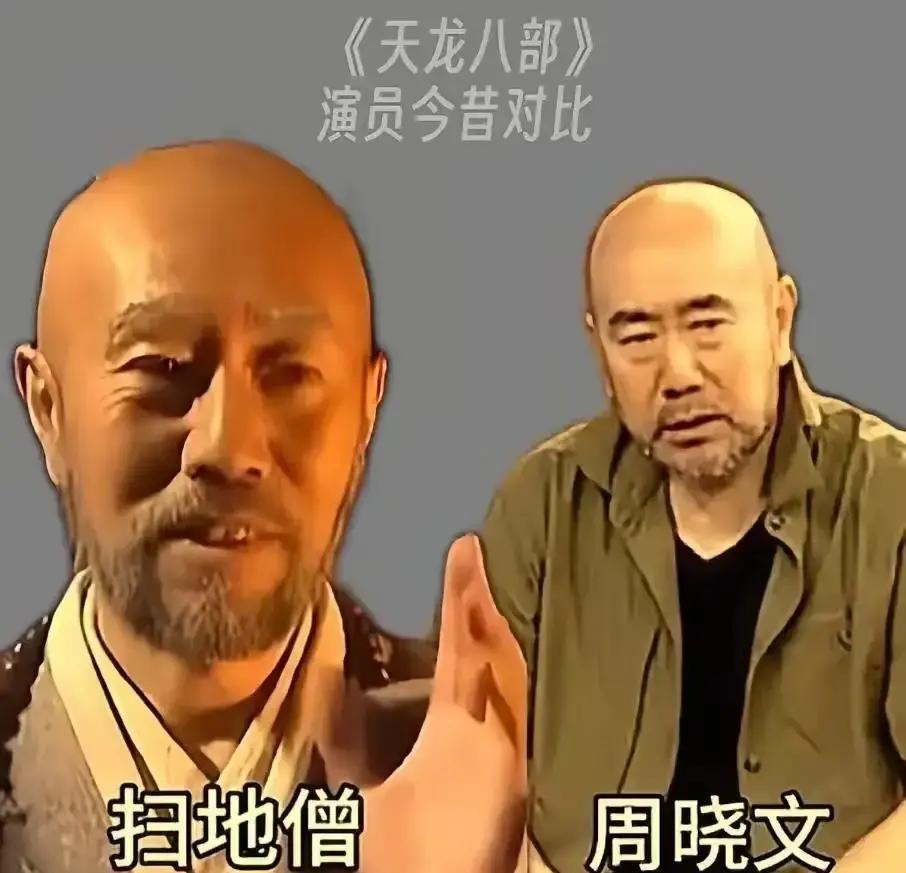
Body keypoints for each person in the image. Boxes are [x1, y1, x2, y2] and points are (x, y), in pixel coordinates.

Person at [0, 139, 527, 873]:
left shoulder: (536, 775)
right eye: (162, 368)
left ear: (367, 408)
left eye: (292, 374)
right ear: (48, 409)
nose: (228, 446)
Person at [477, 179, 906, 871]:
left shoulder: (889, 497)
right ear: (599, 350)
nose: (677, 373)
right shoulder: (544, 506)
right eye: (637, 335)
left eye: (707, 323)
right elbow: (471, 776)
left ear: (780, 320)